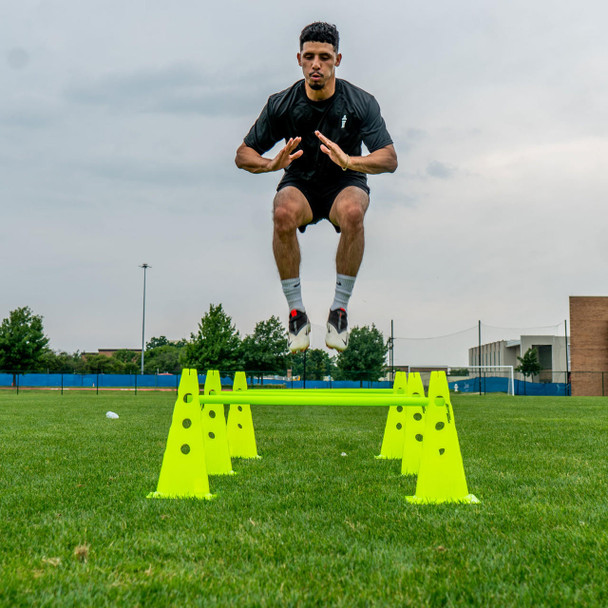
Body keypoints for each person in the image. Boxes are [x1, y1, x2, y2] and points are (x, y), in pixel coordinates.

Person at [235, 22, 397, 353]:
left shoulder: (360, 102)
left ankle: (339, 312)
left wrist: (350, 161)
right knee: (282, 212)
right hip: (301, 183)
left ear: (337, 59)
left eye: (324, 57)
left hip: (345, 180)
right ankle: (297, 315)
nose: (316, 64)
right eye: (309, 57)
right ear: (299, 59)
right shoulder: (281, 104)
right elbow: (242, 154)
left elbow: (389, 158)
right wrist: (270, 164)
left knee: (353, 211)